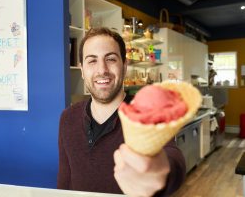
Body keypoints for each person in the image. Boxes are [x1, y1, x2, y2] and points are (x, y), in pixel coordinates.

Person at [58, 27, 186, 197]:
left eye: (110, 59)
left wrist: (164, 171)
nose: (102, 69)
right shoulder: (68, 118)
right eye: (92, 61)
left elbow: (173, 157)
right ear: (82, 70)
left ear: (124, 66)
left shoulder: (148, 114)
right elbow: (65, 179)